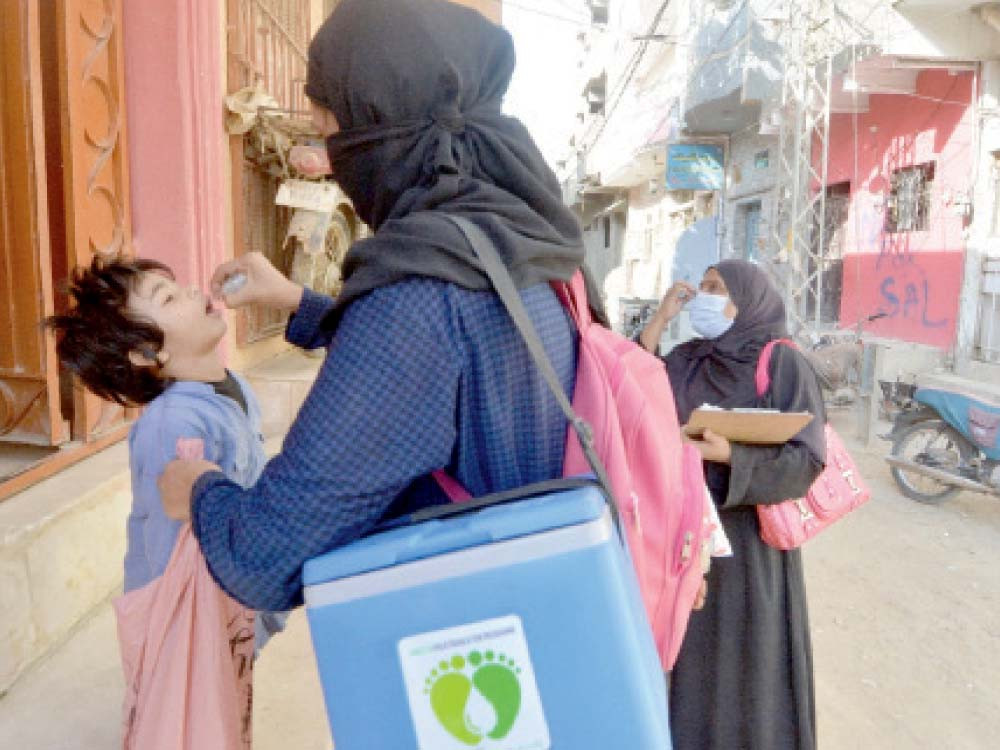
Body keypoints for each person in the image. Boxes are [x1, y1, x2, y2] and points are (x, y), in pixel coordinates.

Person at [156, 0, 595, 615]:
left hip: (475, 650)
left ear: (382, 132)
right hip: (561, 605)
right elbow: (453, 372)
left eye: (333, 132)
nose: (334, 163)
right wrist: (295, 300)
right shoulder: (529, 238)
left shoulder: (419, 294)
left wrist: (199, 491)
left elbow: (266, 554)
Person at [44, 254, 284, 645]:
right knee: (188, 703)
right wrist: (185, 634)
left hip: (239, 592)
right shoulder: (172, 424)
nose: (191, 292)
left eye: (178, 288)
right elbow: (168, 543)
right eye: (168, 299)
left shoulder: (233, 385)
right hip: (192, 616)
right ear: (144, 353)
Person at [639, 260, 826, 750]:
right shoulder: (690, 357)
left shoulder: (783, 362)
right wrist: (659, 319)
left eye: (717, 288)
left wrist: (733, 456)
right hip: (687, 537)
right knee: (691, 662)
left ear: (749, 299)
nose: (704, 296)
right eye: (701, 286)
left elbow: (806, 460)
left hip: (749, 546)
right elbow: (639, 383)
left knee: (749, 670)